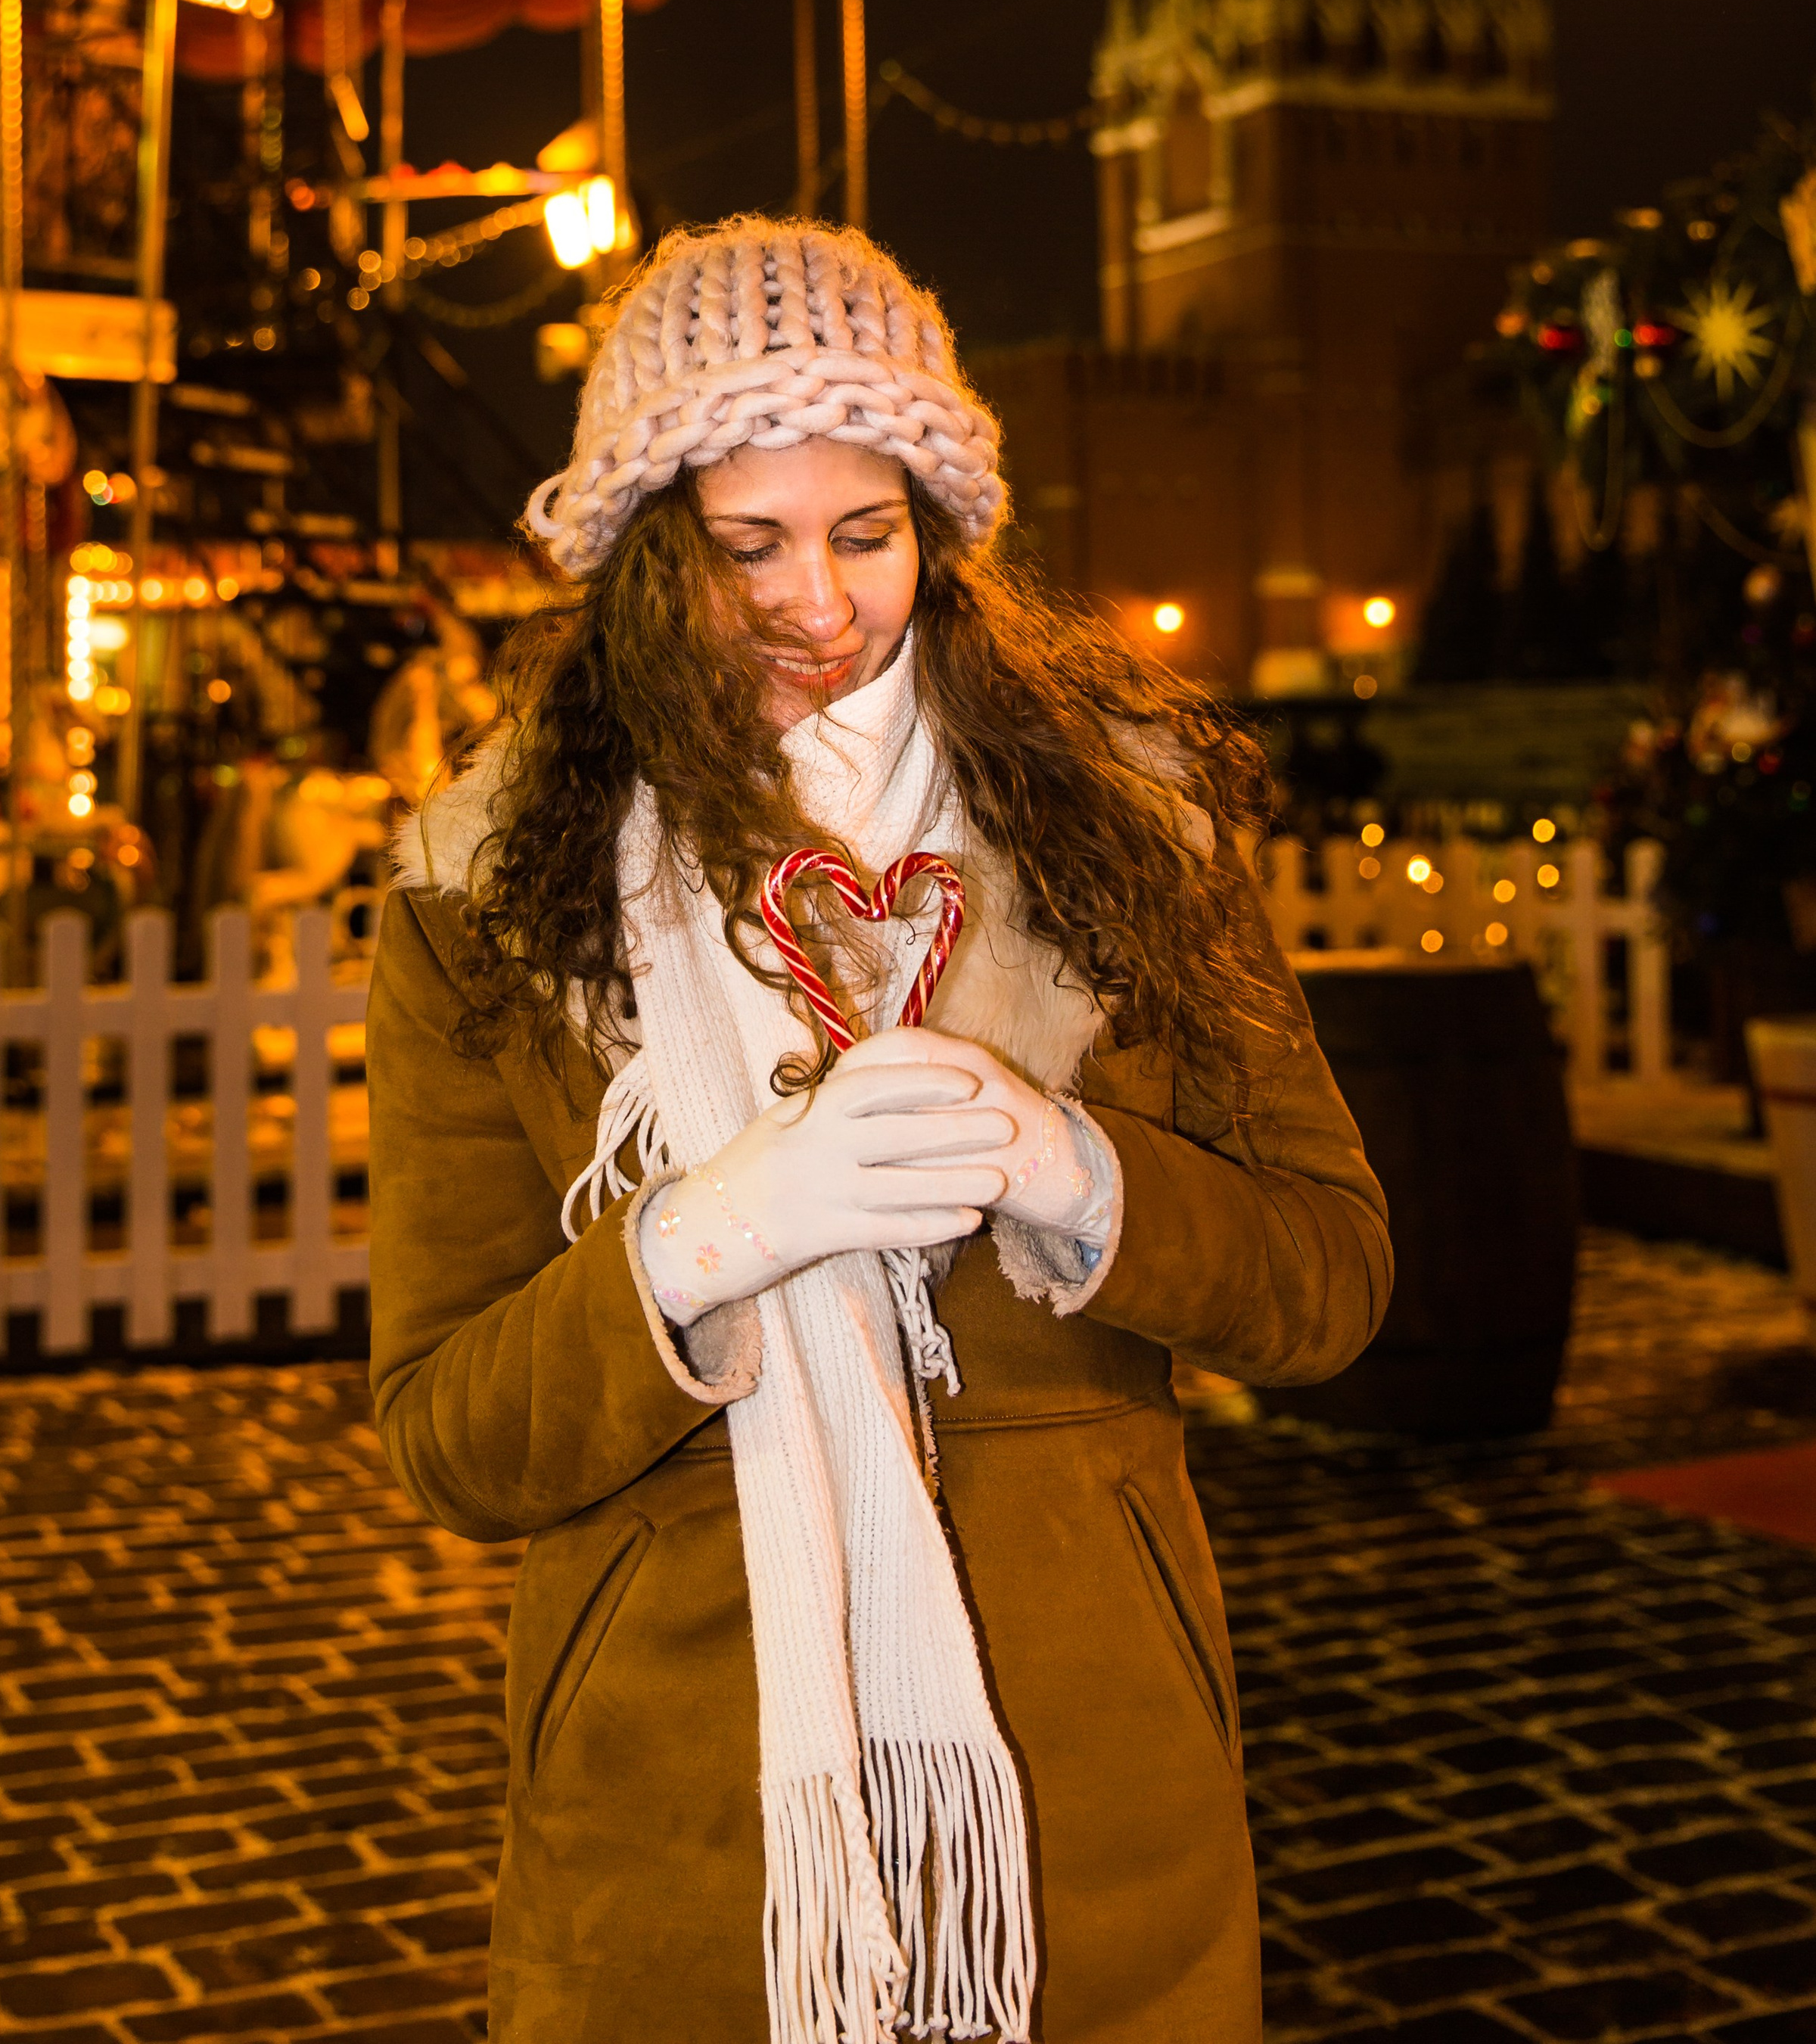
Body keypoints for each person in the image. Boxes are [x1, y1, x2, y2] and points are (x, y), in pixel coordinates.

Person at [366, 216, 1392, 2044]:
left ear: (938, 531)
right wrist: (700, 1242)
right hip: (677, 1823)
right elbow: (450, 1437)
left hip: (1093, 1804)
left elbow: (1328, 1281)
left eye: (865, 533)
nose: (819, 606)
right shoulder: (484, 897)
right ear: (641, 555)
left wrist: (1078, 1176)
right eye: (744, 545)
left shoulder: (1129, 839)